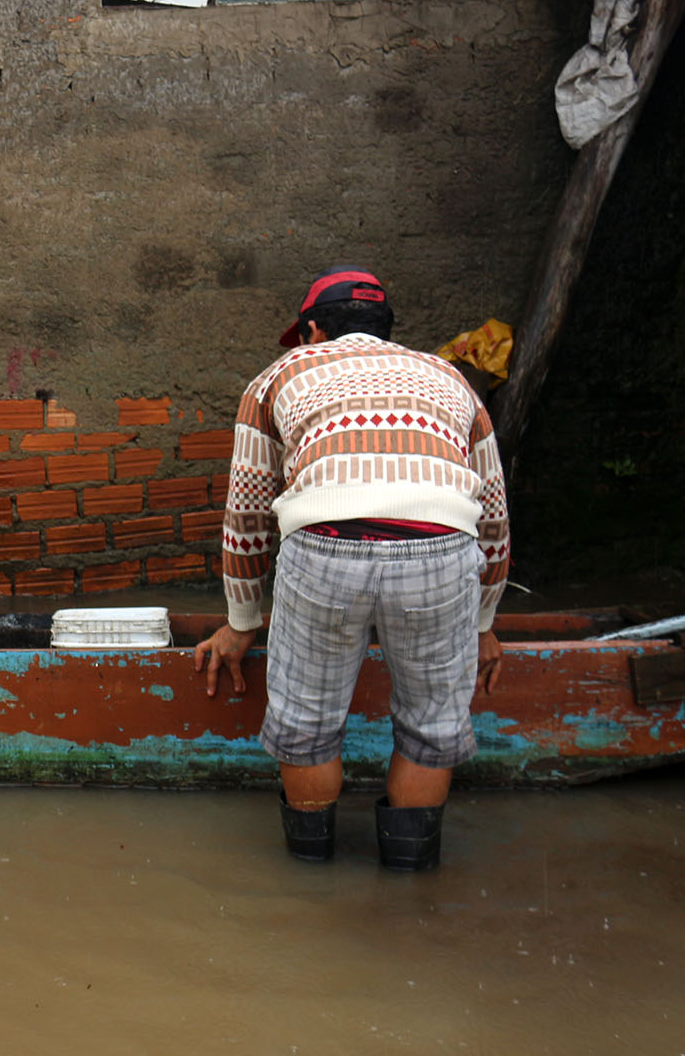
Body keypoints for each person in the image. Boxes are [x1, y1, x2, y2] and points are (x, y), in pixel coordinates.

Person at [193, 266, 511, 872]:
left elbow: (248, 511)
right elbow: (492, 513)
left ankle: (312, 884)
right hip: (441, 551)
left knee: (307, 725)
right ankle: (409, 882)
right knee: (429, 727)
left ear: (314, 329)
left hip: (323, 548)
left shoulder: (278, 377)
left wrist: (240, 622)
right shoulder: (449, 379)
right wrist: (484, 621)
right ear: (386, 331)